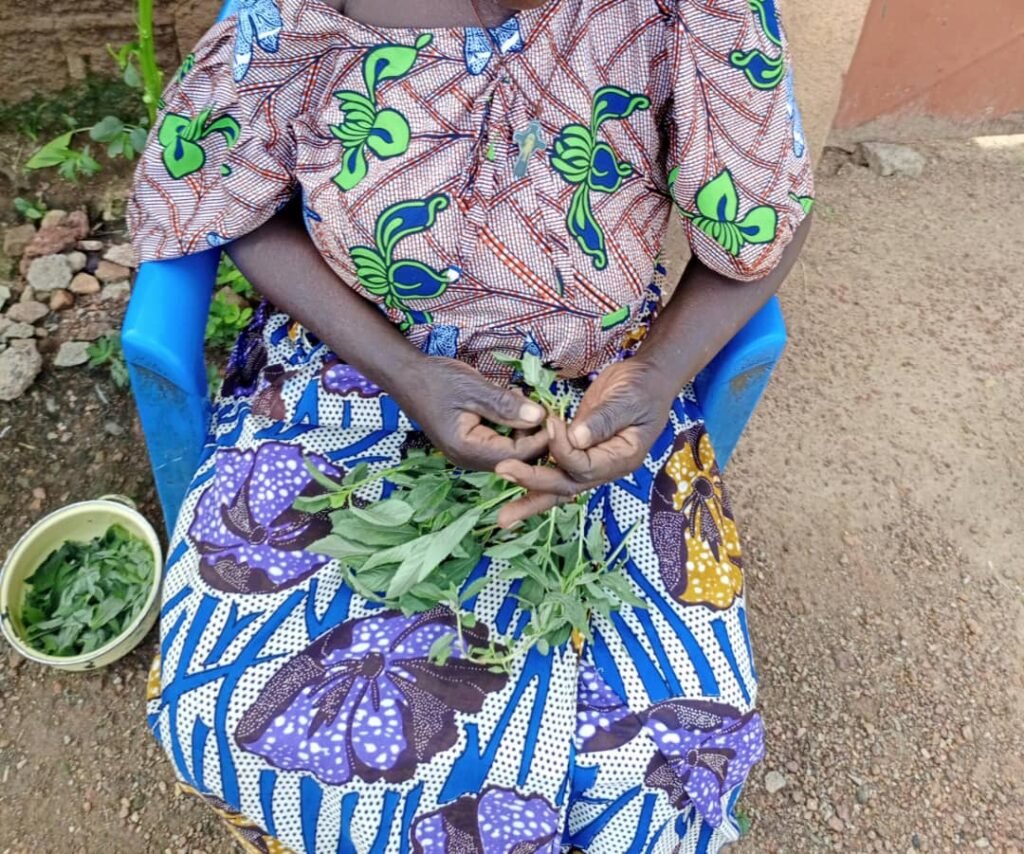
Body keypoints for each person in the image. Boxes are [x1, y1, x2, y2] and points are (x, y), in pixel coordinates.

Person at [129, 0, 813, 849]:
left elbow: (770, 213)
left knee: (661, 775)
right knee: (233, 710)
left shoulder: (690, 12)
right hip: (351, 376)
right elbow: (227, 190)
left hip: (599, 406)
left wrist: (656, 376)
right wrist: (406, 371)